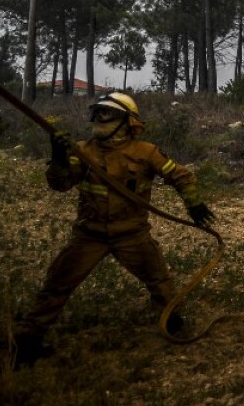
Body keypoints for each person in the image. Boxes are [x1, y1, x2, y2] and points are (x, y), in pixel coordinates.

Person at [11, 92, 215, 366]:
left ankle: (173, 323)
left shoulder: (147, 152)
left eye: (109, 114)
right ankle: (27, 341)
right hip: (89, 235)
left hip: (132, 234)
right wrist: (59, 157)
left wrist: (194, 204)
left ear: (128, 123)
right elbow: (60, 184)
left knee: (159, 281)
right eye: (98, 113)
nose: (100, 118)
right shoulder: (82, 151)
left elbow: (181, 175)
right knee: (56, 285)